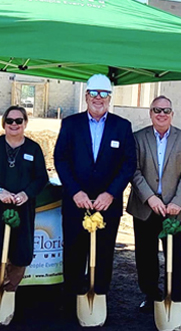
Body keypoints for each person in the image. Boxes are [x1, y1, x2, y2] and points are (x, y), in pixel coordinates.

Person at [54, 74, 136, 314]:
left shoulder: (122, 126)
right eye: (94, 93)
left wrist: (110, 194)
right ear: (87, 95)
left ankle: (97, 298)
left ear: (110, 98)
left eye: (104, 94)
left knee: (103, 254)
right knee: (74, 252)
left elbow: (129, 164)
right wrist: (74, 191)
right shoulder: (71, 124)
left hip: (107, 205)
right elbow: (61, 158)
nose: (99, 99)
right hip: (76, 203)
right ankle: (70, 301)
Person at [127, 95, 181, 313]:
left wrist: (177, 202)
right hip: (145, 208)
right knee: (145, 256)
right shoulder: (138, 138)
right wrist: (150, 197)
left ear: (172, 114)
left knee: (174, 256)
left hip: (173, 211)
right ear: (150, 113)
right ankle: (151, 294)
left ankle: (174, 298)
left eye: (166, 110)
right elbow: (134, 171)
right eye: (157, 110)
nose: (161, 114)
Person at [0, 106, 49, 295]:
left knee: (20, 251)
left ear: (25, 123)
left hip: (22, 209)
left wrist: (26, 194)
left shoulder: (33, 148)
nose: (14, 124)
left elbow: (41, 178)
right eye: (10, 121)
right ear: (4, 124)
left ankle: (9, 292)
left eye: (18, 121)